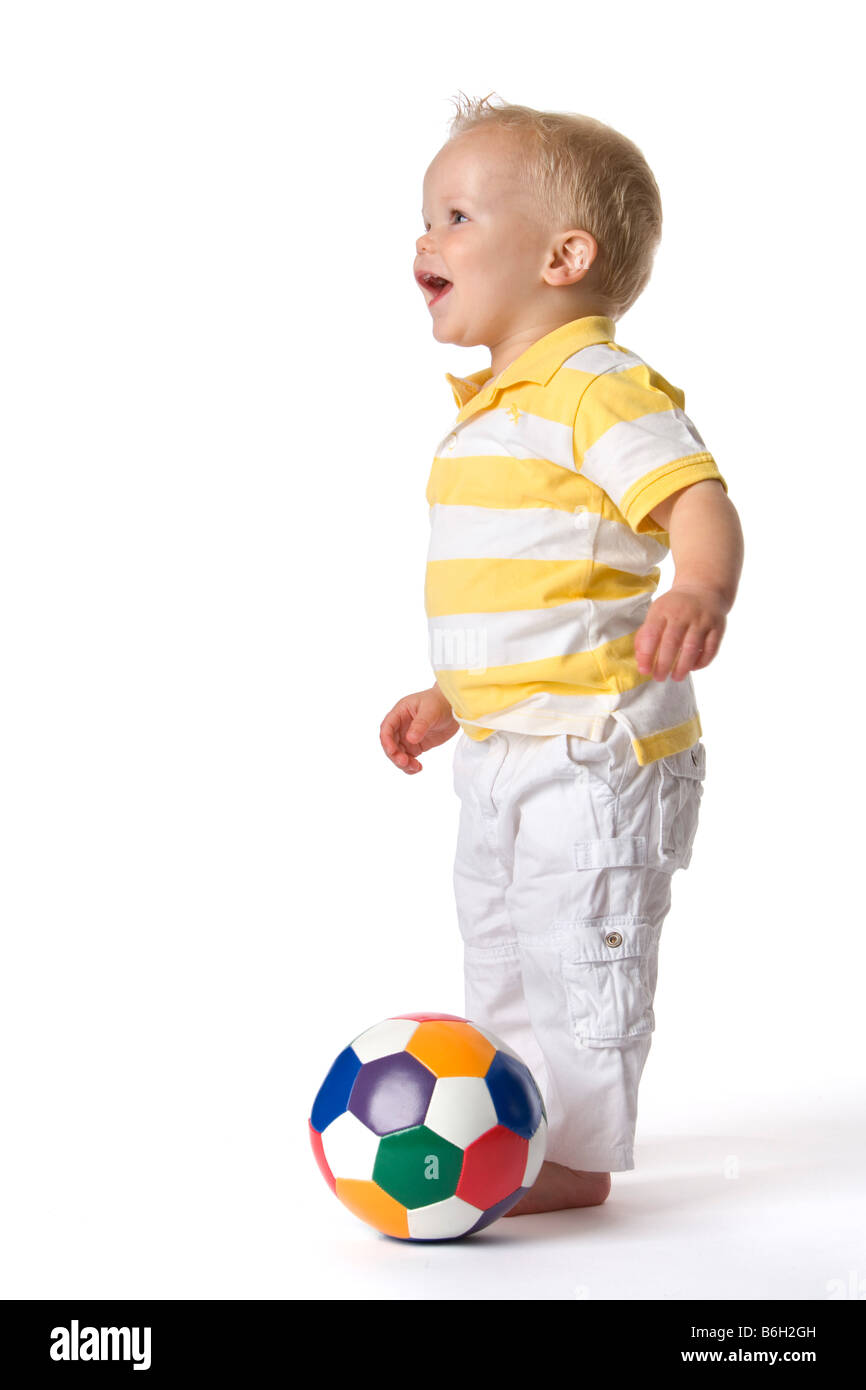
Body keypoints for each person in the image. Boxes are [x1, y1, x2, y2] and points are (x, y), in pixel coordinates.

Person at [379, 95, 744, 1216]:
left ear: (562, 255)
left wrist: (697, 585)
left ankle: (576, 1157)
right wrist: (452, 692)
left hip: (595, 751)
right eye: (421, 220)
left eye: (452, 216)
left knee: (579, 948)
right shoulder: (493, 409)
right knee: (498, 945)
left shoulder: (594, 386)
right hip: (502, 738)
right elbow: (536, 589)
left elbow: (695, 498)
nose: (420, 243)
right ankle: (509, 1126)